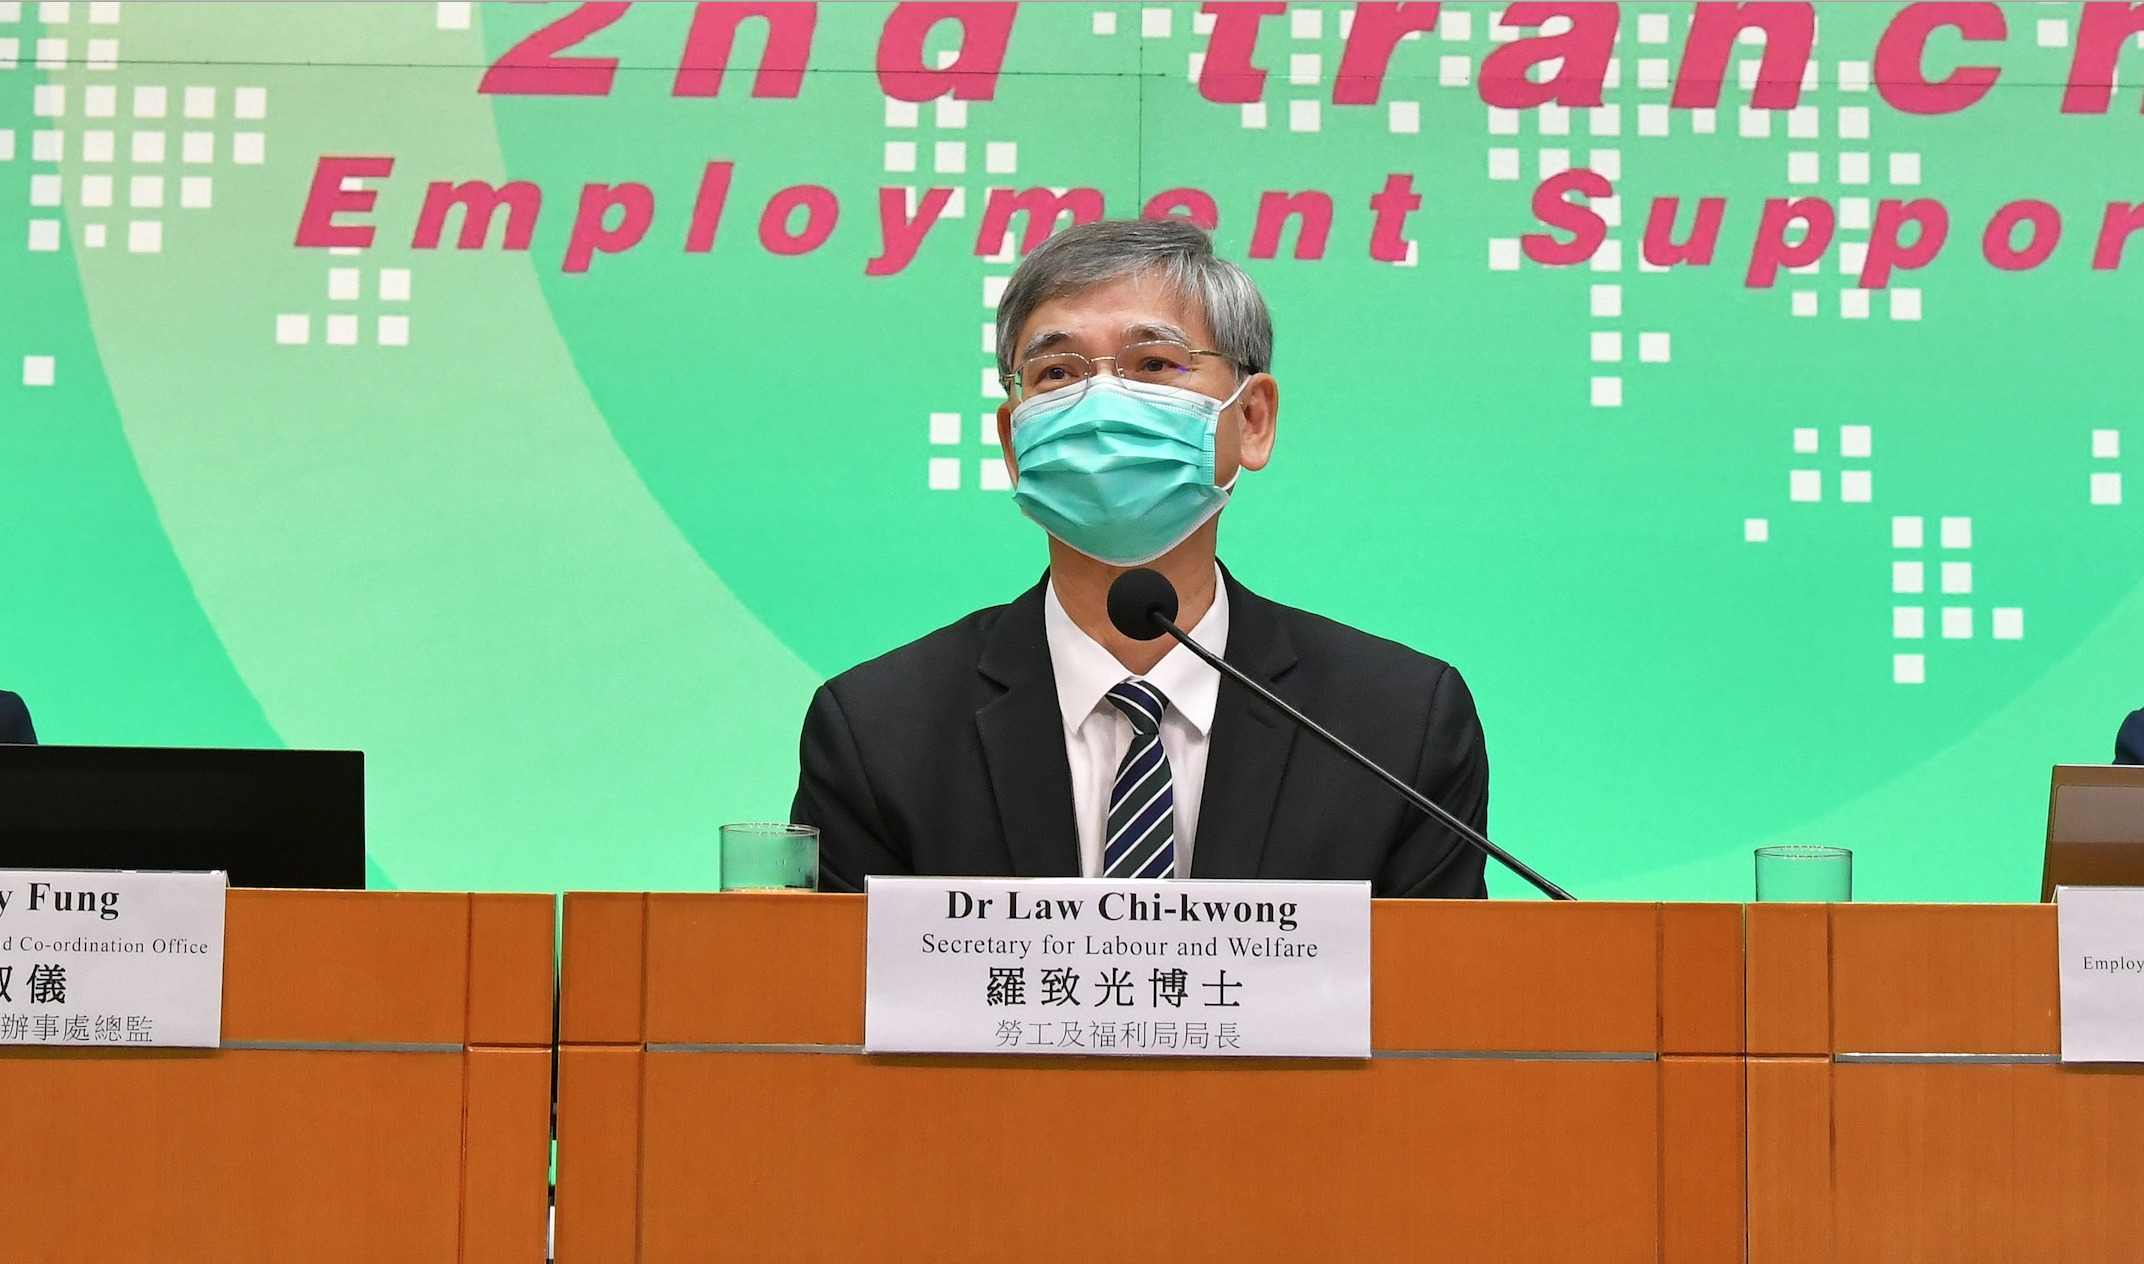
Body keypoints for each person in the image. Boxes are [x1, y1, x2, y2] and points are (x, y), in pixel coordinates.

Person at [791, 219, 1488, 898]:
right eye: (1056, 372)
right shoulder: (877, 732)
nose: (1100, 405)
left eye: (1154, 364)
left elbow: (1443, 977)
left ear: (1252, 419)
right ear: (1013, 442)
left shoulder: (1399, 727)